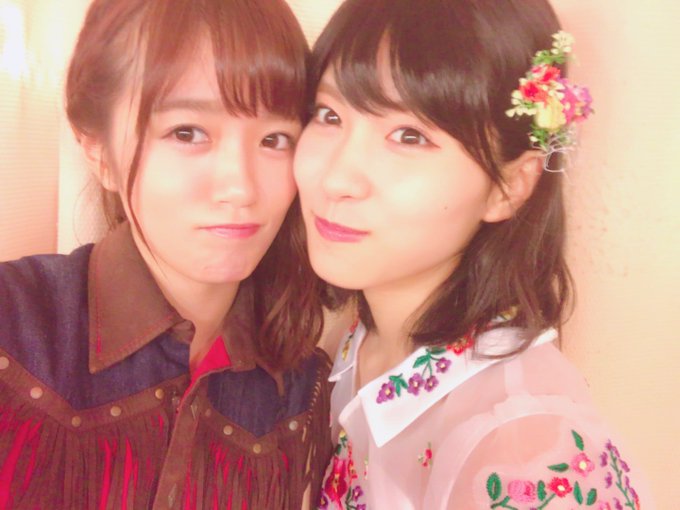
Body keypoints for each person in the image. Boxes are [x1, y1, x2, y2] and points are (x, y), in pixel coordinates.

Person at [294, 0, 649, 508]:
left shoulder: (520, 450)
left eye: (409, 136)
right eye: (329, 115)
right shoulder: (366, 336)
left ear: (508, 186)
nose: (335, 179)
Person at [0, 0, 332, 508]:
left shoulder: (303, 388)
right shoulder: (13, 328)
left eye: (274, 139)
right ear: (97, 149)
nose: (241, 188)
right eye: (187, 132)